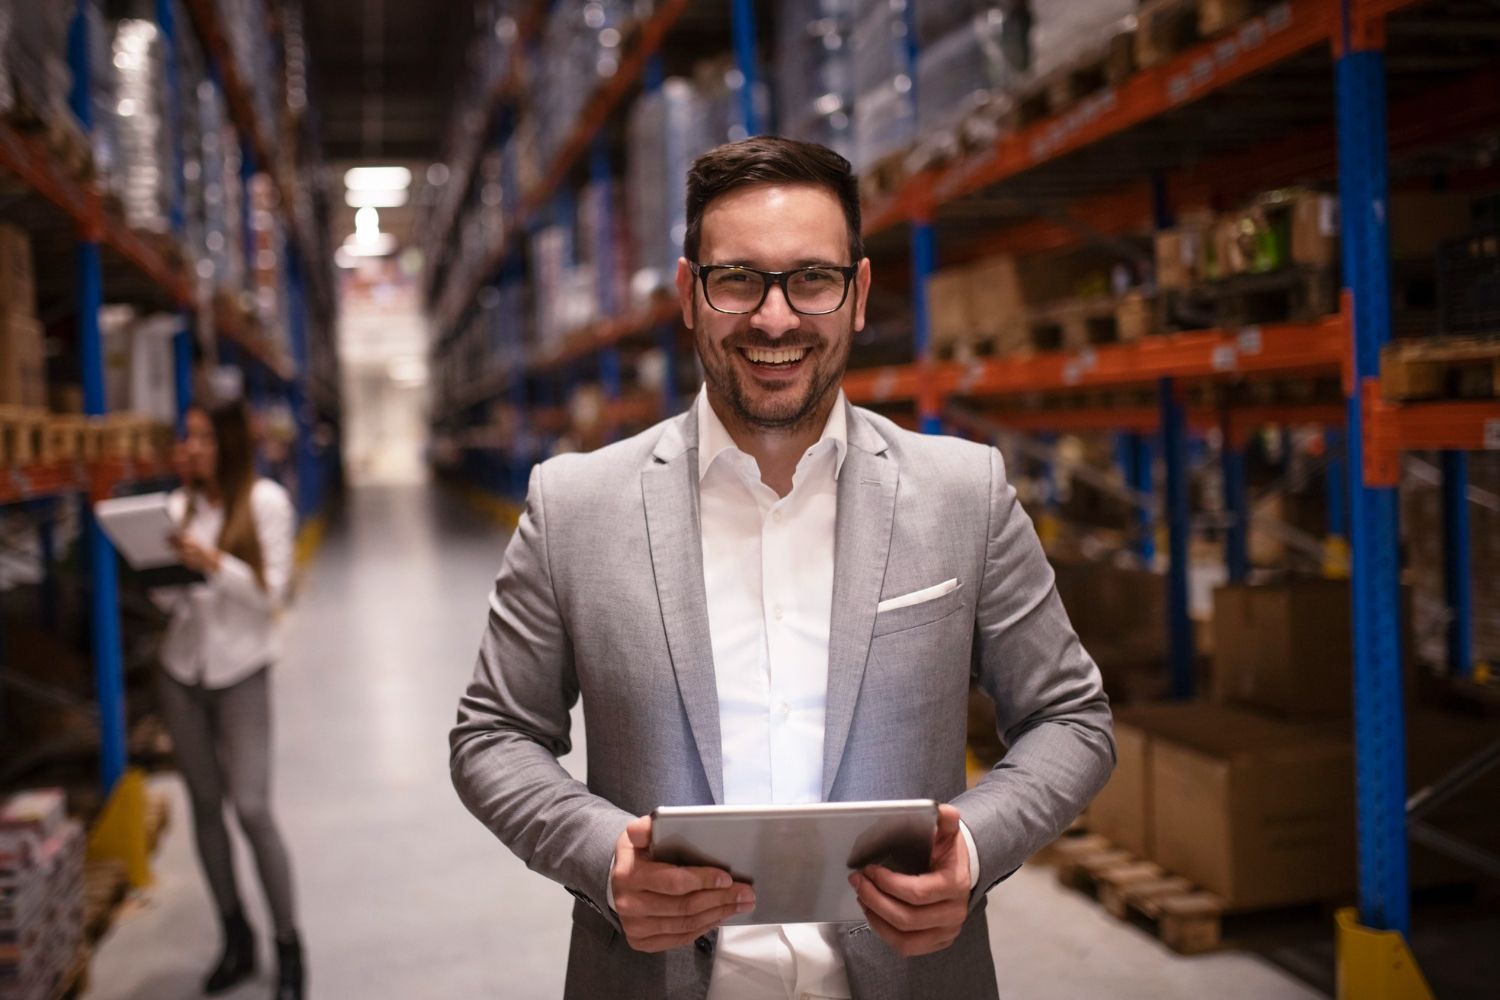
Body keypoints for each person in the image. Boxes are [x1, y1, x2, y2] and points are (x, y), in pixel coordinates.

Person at [450, 136, 1114, 999]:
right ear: (690, 295)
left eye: (812, 278)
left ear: (859, 293)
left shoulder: (963, 493)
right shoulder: (575, 505)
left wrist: (974, 849)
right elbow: (493, 735)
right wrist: (604, 860)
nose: (775, 319)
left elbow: (1072, 717)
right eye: (738, 280)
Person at [154, 399, 304, 1000]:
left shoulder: (266, 502)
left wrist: (211, 561)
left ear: (230, 446)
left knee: (251, 808)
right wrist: (159, 566)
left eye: (202, 439)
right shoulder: (176, 507)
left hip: (241, 671)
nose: (190, 449)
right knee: (205, 805)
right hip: (181, 672)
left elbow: (273, 595)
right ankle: (234, 935)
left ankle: (288, 946)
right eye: (185, 438)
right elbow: (170, 604)